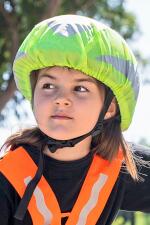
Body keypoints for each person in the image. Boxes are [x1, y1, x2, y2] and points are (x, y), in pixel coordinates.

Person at [0, 14, 150, 225]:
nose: (61, 99)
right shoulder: (7, 177)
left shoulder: (121, 168)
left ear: (110, 109)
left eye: (80, 88)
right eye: (48, 86)